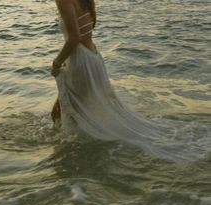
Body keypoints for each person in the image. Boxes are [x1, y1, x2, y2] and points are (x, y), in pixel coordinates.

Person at [50, 0, 210, 161]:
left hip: (81, 62)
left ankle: (71, 157)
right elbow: (84, 32)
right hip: (93, 58)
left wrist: (56, 63)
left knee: (68, 113)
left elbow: (74, 38)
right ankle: (74, 151)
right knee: (69, 111)